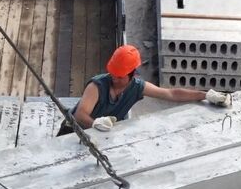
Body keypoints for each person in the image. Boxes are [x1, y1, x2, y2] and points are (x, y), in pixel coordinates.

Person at [73, 44, 231, 132]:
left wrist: (206, 96)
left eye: (119, 76)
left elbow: (171, 94)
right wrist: (94, 124)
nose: (114, 78)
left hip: (103, 136)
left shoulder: (136, 87)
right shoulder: (96, 86)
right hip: (74, 132)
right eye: (113, 73)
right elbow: (80, 115)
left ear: (131, 74)